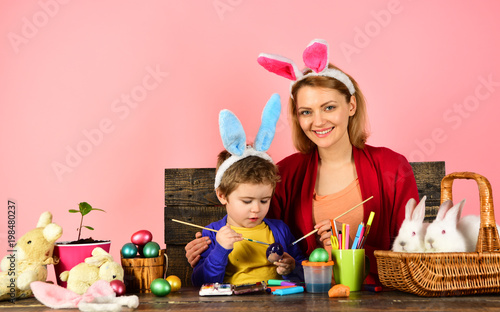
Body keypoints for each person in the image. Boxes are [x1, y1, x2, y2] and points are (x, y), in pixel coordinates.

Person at [186, 39, 419, 279]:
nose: (317, 122)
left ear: (351, 105)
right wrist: (211, 250)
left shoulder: (392, 168)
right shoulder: (284, 173)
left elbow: (414, 256)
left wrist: (351, 248)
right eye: (306, 112)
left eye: (329, 108)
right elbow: (257, 232)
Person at [191, 97, 306, 287]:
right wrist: (220, 250)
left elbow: (301, 269)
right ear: (222, 195)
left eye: (264, 200)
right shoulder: (213, 234)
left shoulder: (280, 230)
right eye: (246, 201)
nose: (256, 210)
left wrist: (292, 267)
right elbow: (200, 282)